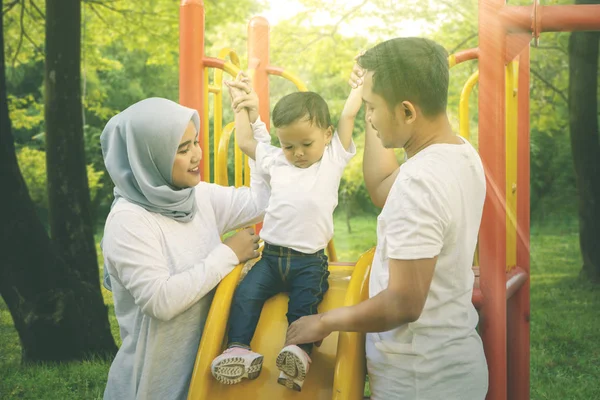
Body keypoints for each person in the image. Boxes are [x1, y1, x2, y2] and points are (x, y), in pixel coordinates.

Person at [285, 37, 489, 399]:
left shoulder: (420, 182)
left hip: (419, 379)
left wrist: (324, 322)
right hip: (450, 365)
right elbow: (382, 187)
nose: (367, 116)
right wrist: (372, 89)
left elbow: (403, 303)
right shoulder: (459, 153)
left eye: (372, 107)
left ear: (407, 111)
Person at [100, 97, 271, 400]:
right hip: (154, 385)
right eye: (183, 149)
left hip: (203, 377)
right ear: (147, 158)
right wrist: (229, 254)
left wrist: (254, 130)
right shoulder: (129, 221)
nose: (197, 155)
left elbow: (264, 202)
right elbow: (160, 301)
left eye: (196, 142)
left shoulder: (196, 196)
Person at [210, 72, 360, 391]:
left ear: (327, 134)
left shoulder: (333, 158)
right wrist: (240, 106)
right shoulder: (277, 161)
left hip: (309, 261)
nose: (298, 153)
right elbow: (246, 141)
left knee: (305, 306)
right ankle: (238, 349)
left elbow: (348, 114)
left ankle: (298, 356)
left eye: (306, 143)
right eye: (288, 145)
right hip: (271, 258)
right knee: (245, 294)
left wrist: (360, 88)